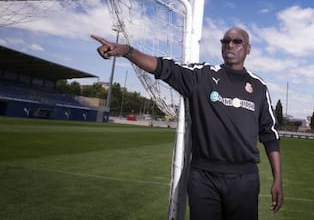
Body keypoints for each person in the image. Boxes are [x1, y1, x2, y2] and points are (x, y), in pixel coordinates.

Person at [92, 26, 283, 220]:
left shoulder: (259, 87)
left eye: (236, 41)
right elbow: (163, 67)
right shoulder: (202, 76)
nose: (229, 46)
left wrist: (278, 179)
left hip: (245, 180)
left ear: (248, 49)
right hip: (204, 178)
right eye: (225, 42)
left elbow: (270, 135)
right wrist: (127, 51)